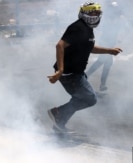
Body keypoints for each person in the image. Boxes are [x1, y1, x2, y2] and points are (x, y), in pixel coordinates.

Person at [47, 1, 122, 133]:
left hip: (77, 73)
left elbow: (89, 47)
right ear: (84, 13)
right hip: (69, 74)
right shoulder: (77, 27)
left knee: (80, 98)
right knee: (89, 98)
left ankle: (59, 122)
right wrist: (60, 70)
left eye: (97, 12)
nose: (95, 15)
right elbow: (60, 46)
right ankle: (58, 112)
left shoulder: (88, 29)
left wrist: (109, 51)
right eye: (92, 12)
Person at [86, 1, 122, 91]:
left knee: (101, 61)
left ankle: (87, 76)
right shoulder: (108, 18)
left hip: (110, 43)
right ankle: (101, 84)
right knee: (106, 62)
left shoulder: (115, 18)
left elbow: (115, 31)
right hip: (105, 42)